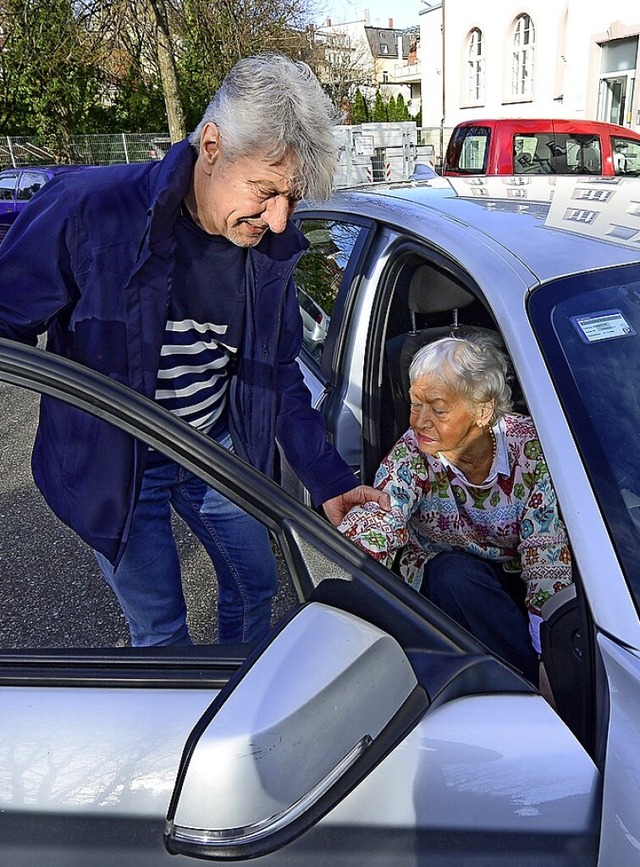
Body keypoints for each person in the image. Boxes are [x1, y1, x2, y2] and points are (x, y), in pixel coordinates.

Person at [0, 52, 387, 647]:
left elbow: (275, 375)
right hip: (118, 466)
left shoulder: (269, 251)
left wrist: (330, 479)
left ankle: (234, 697)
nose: (280, 220)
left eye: (293, 197)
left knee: (256, 586)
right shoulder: (90, 213)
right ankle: (179, 729)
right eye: (266, 191)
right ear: (211, 146)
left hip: (214, 448)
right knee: (161, 628)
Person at [338, 336, 573, 684]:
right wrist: (343, 568)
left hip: (518, 576)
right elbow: (383, 514)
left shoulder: (532, 450)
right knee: (453, 575)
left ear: (483, 410)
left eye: (437, 408)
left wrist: (550, 660)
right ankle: (519, 689)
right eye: (415, 404)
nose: (419, 422)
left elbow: (546, 553)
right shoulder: (413, 454)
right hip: (449, 583)